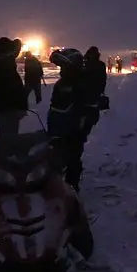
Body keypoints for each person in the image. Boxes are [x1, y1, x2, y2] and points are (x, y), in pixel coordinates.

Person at [46, 48, 86, 191]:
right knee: (57, 155)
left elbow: (82, 105)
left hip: (71, 126)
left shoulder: (76, 83)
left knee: (72, 157)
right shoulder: (64, 82)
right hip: (58, 123)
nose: (61, 70)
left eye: (64, 67)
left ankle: (71, 187)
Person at [0, 37, 27, 139]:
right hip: (7, 112)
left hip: (5, 111)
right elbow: (10, 89)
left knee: (7, 138)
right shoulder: (1, 65)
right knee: (8, 140)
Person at [80, 46, 107, 139]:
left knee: (83, 114)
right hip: (94, 94)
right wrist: (101, 91)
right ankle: (90, 134)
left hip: (84, 94)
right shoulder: (100, 65)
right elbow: (103, 80)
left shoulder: (84, 64)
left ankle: (84, 134)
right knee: (92, 115)